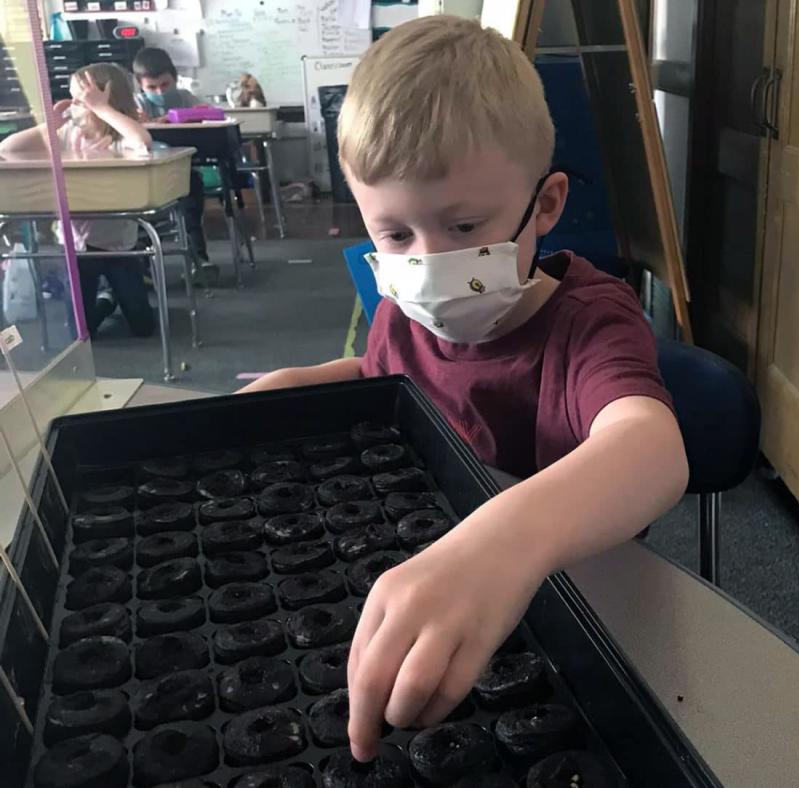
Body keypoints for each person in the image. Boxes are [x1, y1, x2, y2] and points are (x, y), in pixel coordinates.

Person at [240, 16, 688, 762]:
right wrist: (304, 383)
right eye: (394, 235)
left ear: (544, 207)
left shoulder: (589, 322)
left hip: (575, 603)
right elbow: (393, 384)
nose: (426, 265)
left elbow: (648, 445)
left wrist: (501, 543)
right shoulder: (402, 307)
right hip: (428, 565)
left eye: (464, 226)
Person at [0, 63, 156, 338]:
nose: (74, 106)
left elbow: (142, 141)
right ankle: (106, 302)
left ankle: (115, 296)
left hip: (116, 246)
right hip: (74, 246)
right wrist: (51, 125)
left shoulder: (118, 139)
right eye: (74, 99)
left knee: (143, 326)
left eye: (80, 101)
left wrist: (100, 108)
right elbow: (7, 148)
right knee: (81, 333)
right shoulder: (68, 135)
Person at [132, 47, 212, 276]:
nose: (159, 91)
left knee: (191, 208)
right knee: (138, 215)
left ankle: (201, 260)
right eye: (152, 87)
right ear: (140, 85)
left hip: (183, 172)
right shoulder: (136, 104)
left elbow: (207, 119)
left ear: (175, 78)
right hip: (146, 177)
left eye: (165, 85)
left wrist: (195, 116)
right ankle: (142, 269)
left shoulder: (186, 98)